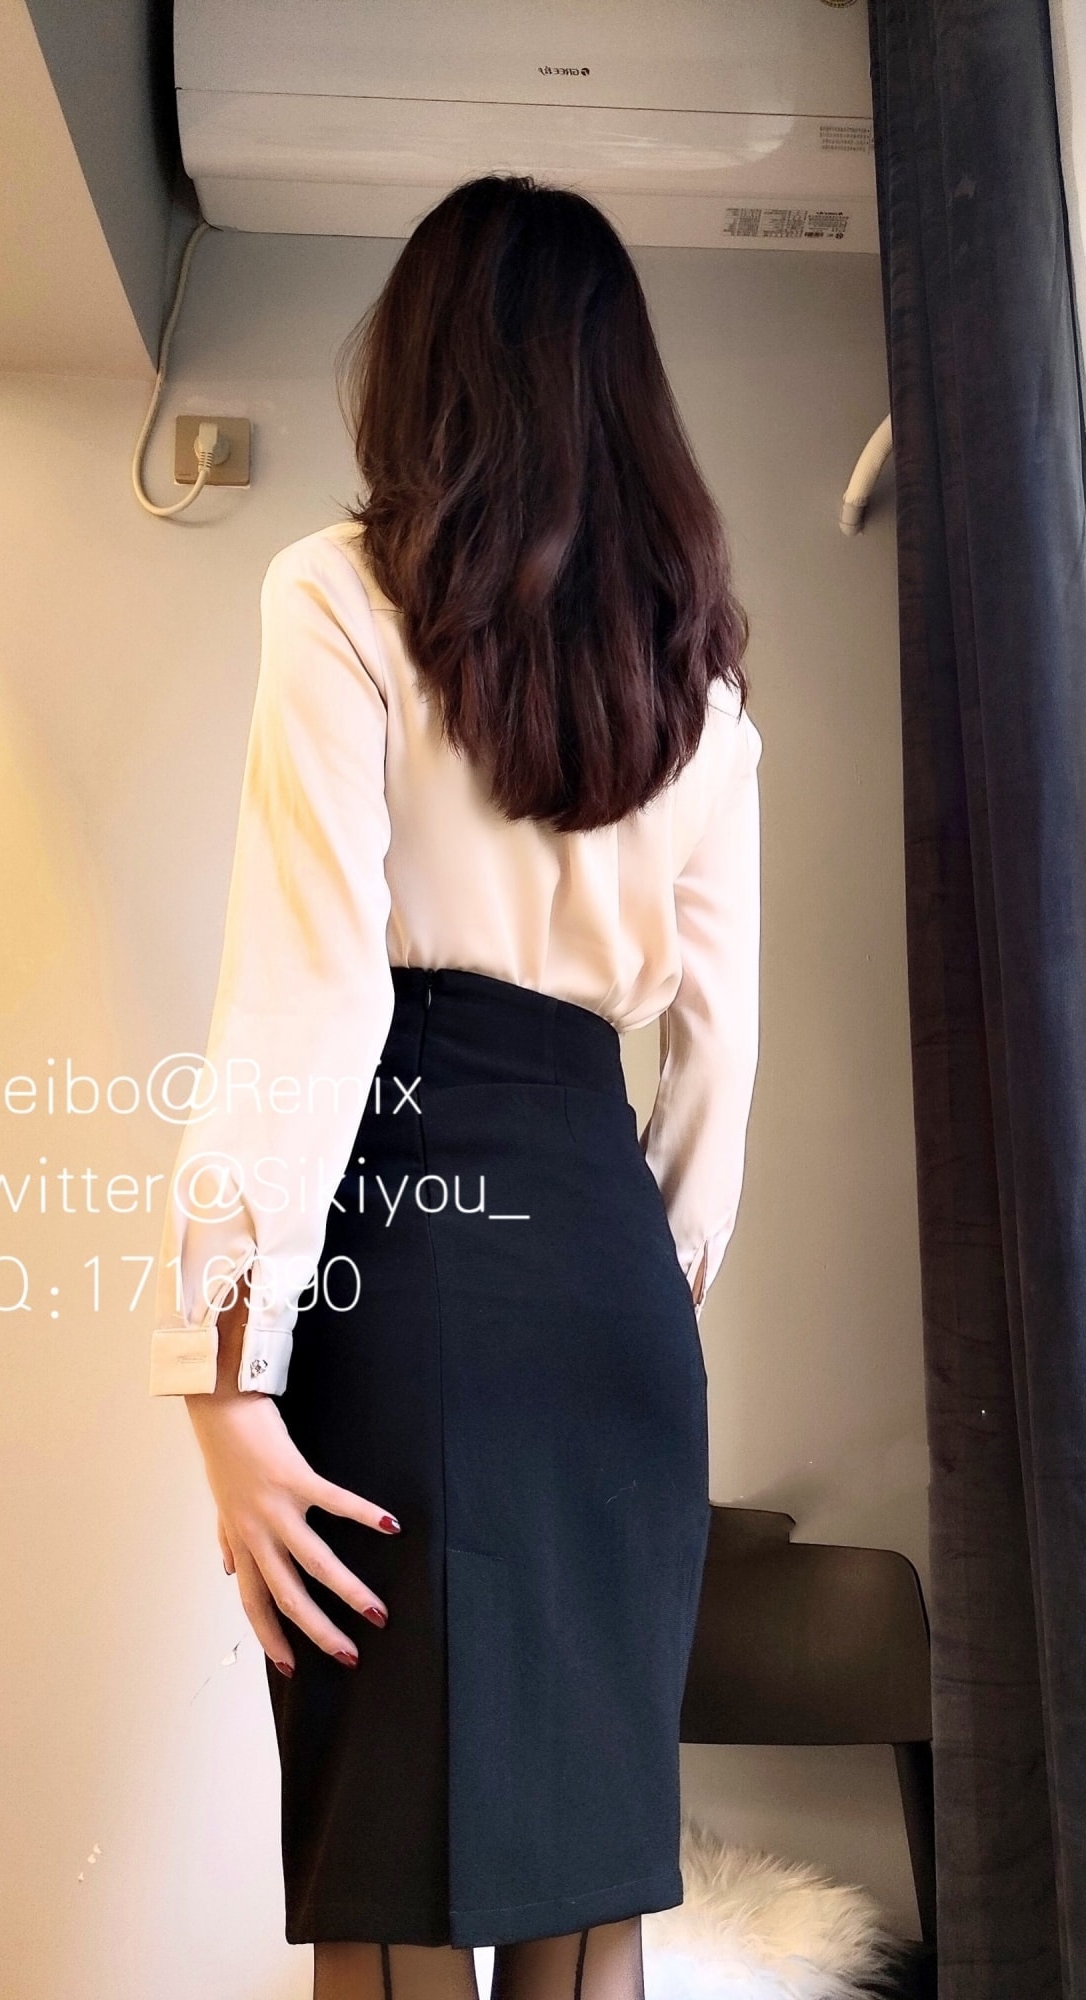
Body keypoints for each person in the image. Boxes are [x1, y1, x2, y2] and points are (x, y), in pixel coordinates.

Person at [148, 175, 763, 2000]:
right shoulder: (702, 689)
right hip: (612, 1294)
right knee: (589, 1900)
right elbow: (717, 1054)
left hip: (408, 1267)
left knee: (395, 1884)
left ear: (418, 368)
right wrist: (645, 1287)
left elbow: (314, 995)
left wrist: (223, 1372)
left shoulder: (340, 593)